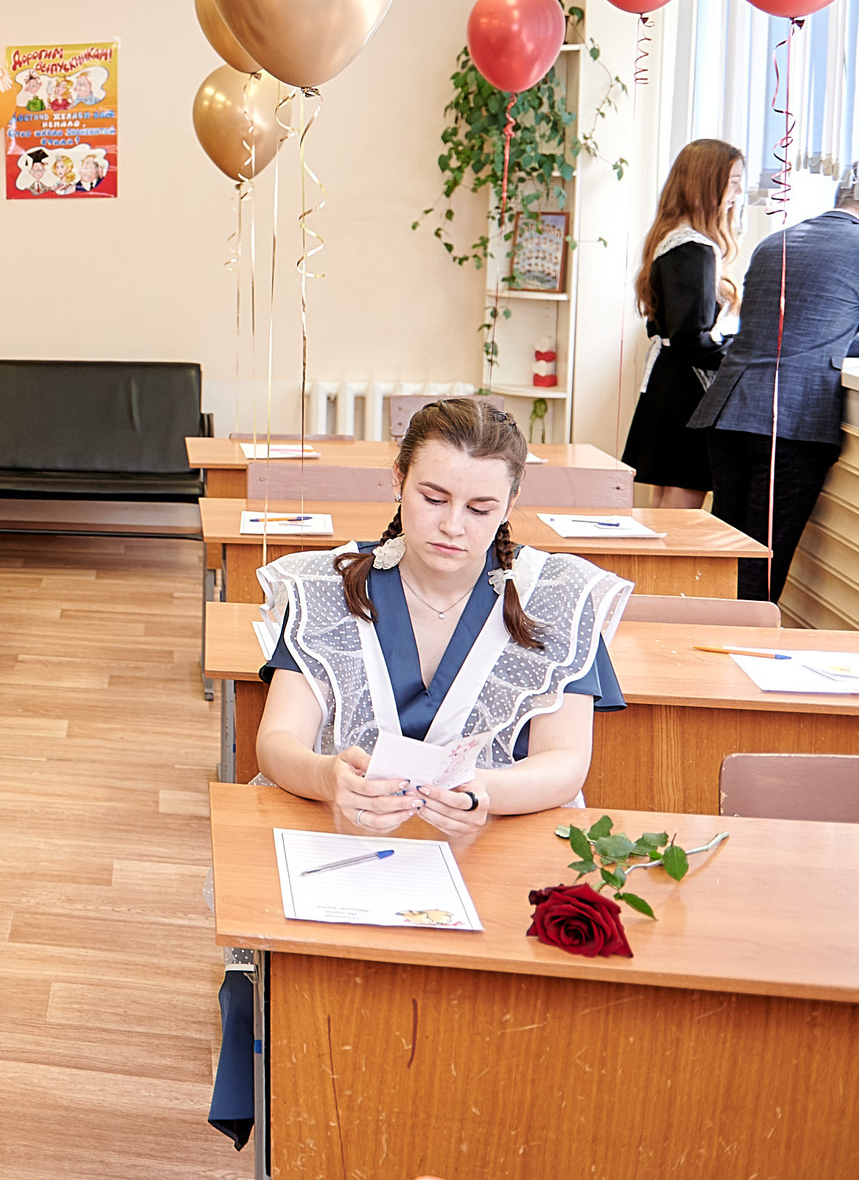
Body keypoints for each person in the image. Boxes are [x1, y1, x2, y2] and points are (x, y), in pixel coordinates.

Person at [207, 396, 632, 1144]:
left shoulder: (558, 598)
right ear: (397, 480)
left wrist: (486, 792)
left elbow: (567, 762)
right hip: (342, 845)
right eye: (432, 497)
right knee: (330, 1041)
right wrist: (327, 775)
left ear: (510, 504)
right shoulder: (324, 587)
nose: (451, 525)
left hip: (489, 853)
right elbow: (277, 742)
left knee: (489, 1052)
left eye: (479, 506)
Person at [689, 172, 859, 599]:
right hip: (789, 424)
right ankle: (744, 650)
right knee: (764, 562)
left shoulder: (776, 243)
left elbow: (795, 331)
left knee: (725, 550)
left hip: (728, 411)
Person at [622, 140, 743, 507]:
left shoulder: (672, 239)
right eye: (733, 182)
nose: (739, 193)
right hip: (685, 390)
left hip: (670, 382)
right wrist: (739, 358)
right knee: (678, 512)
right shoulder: (693, 247)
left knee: (666, 504)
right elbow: (691, 337)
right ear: (707, 183)